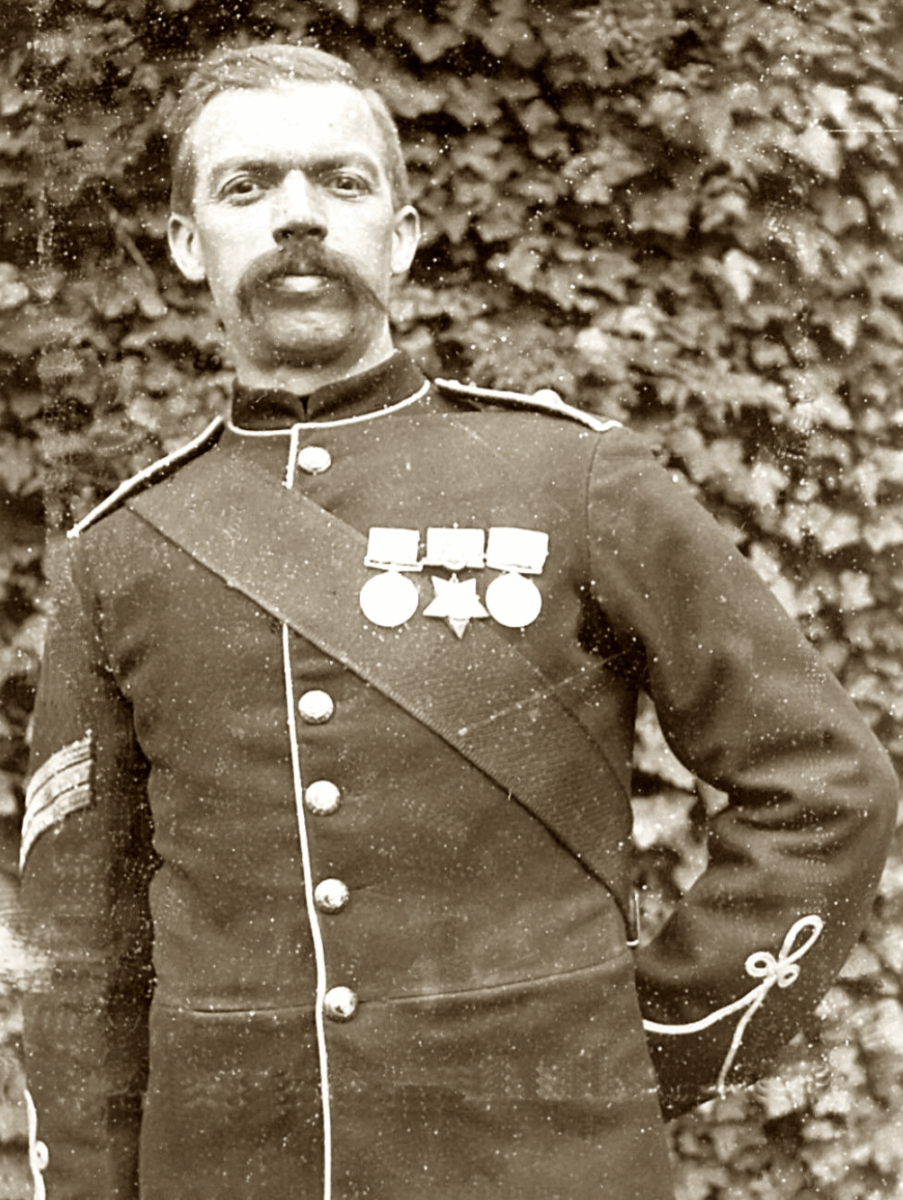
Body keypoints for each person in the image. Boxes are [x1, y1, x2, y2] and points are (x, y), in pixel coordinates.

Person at [19, 42, 897, 1200]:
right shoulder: (119, 553)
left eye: (341, 182)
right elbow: (80, 952)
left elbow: (824, 782)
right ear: (189, 243)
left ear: (406, 230)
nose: (297, 219)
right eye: (247, 186)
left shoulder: (577, 481)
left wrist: (652, 1043)